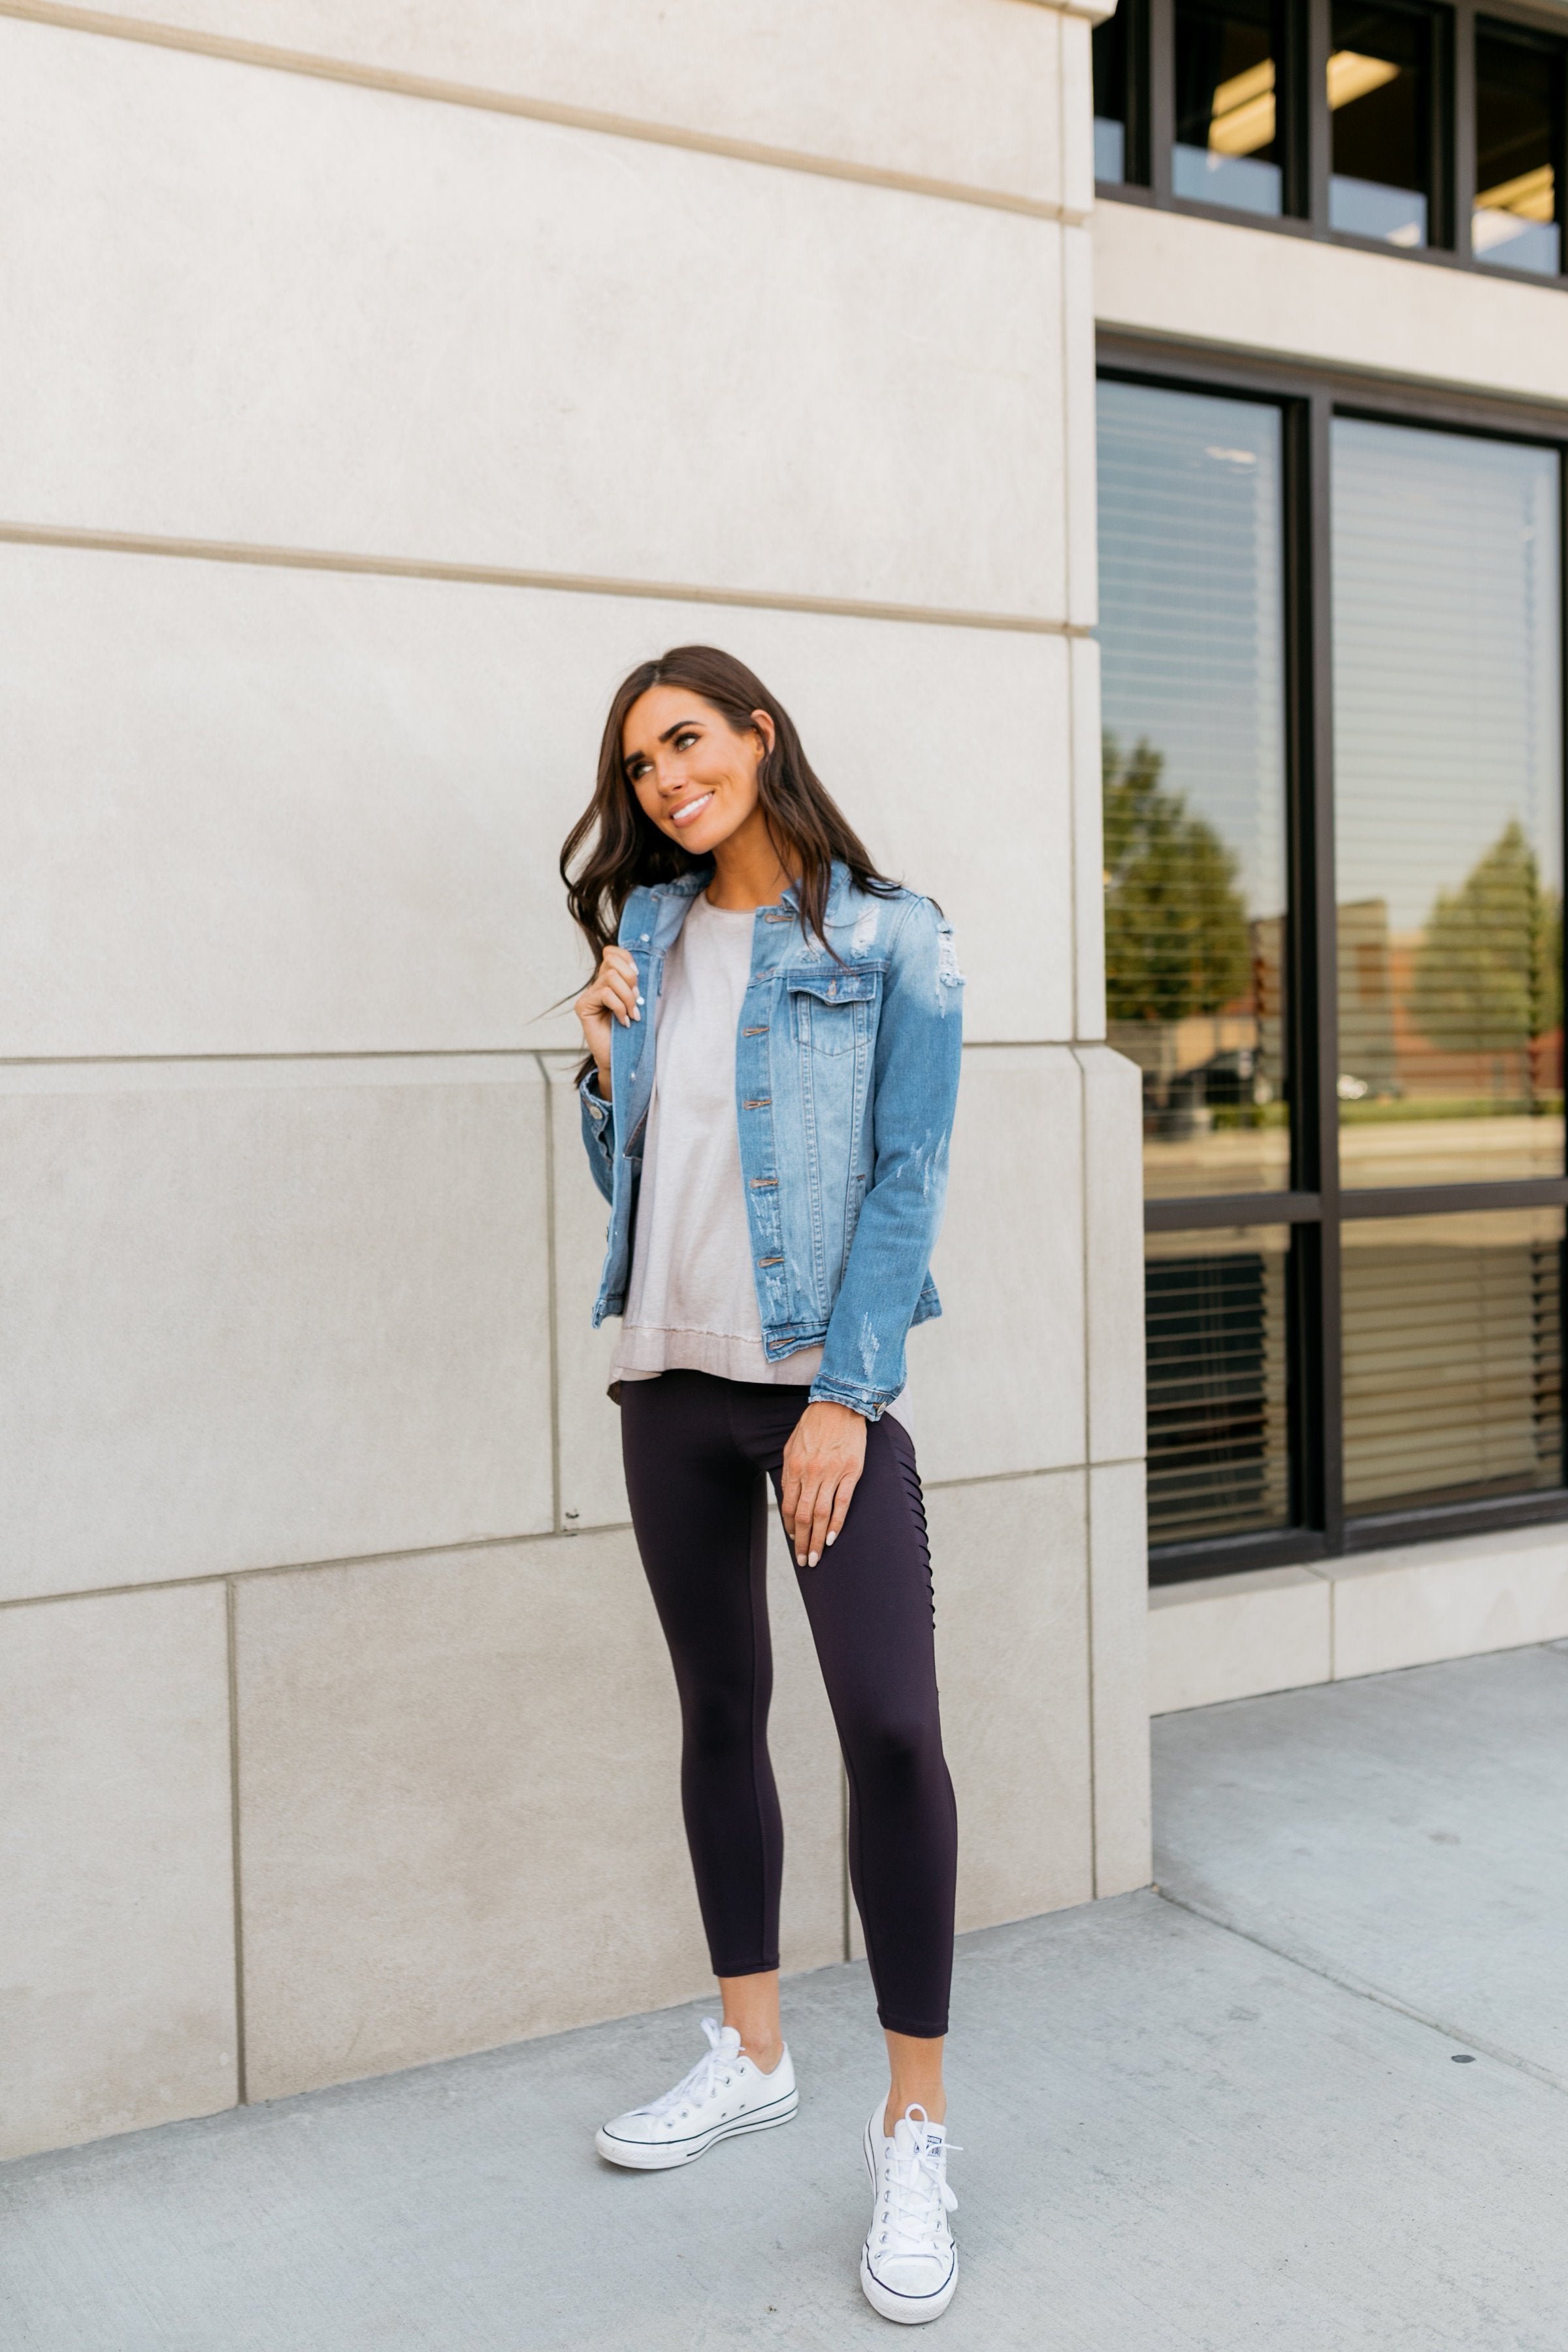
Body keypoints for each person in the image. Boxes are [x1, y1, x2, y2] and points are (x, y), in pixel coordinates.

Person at [562, 645, 964, 2326]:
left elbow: (907, 1169)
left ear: (758, 737)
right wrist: (596, 1067)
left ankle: (917, 2127)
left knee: (888, 1728)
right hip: (668, 1380)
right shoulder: (646, 937)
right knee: (718, 1710)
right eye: (641, 763)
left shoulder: (892, 936)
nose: (664, 781)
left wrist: (847, 1399)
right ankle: (749, 2050)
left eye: (687, 743)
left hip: (817, 1392)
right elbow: (634, 1177)